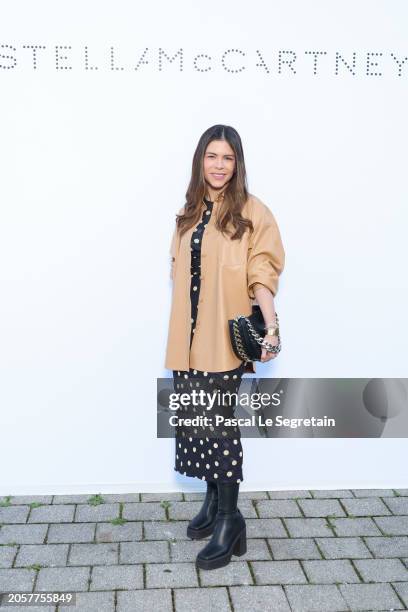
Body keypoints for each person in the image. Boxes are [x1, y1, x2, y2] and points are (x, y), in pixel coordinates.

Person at [164, 124, 285, 570]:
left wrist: (270, 329)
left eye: (227, 158)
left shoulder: (253, 212)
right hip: (187, 339)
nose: (218, 165)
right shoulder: (189, 211)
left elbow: (262, 274)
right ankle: (215, 505)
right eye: (211, 156)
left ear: (238, 164)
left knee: (217, 428)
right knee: (196, 422)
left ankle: (230, 521)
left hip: (223, 339)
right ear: (201, 161)